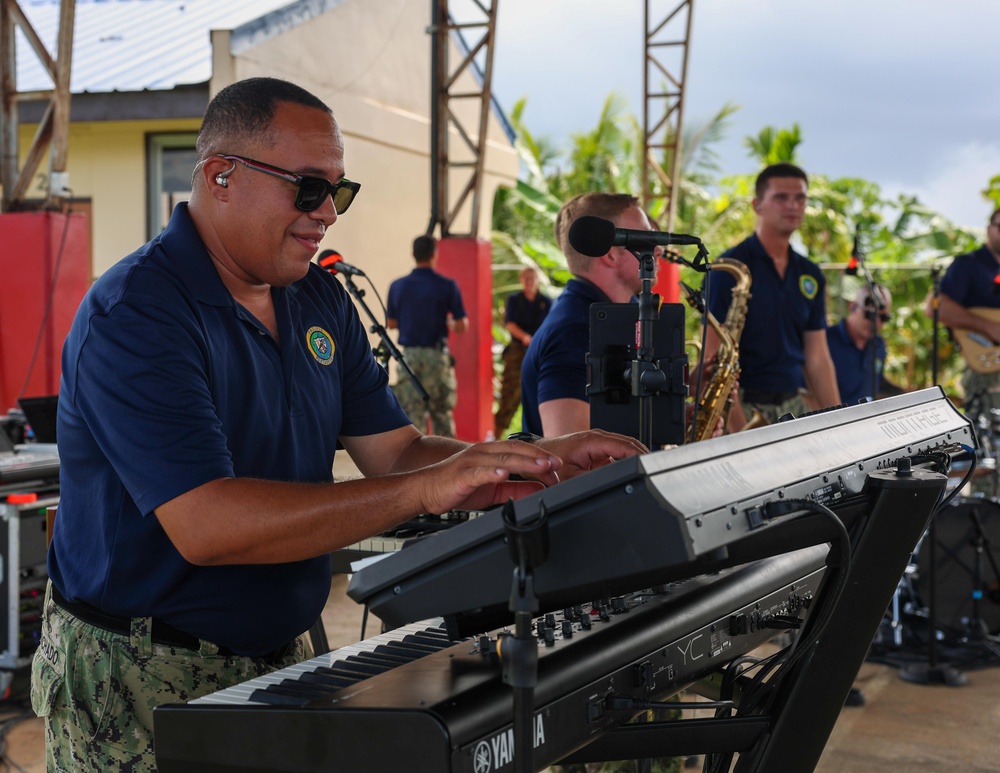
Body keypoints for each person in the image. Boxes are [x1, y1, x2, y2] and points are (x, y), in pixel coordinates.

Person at [30, 77, 647, 771]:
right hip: (137, 675)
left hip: (279, 654)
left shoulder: (315, 295)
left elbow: (398, 451)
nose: (327, 212)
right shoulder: (138, 313)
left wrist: (528, 460)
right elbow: (209, 524)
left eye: (338, 192)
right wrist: (426, 490)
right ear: (220, 175)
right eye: (307, 187)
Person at [705, 163, 841, 428]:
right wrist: (740, 432)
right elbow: (713, 357)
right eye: (781, 197)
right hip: (741, 406)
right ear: (757, 205)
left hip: (793, 405)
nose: (792, 205)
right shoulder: (728, 268)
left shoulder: (810, 273)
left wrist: (839, 419)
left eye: (800, 198)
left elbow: (818, 357)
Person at [520, 192, 658, 437]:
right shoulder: (574, 331)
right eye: (645, 237)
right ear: (611, 253)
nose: (657, 249)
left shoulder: (621, 311)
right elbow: (569, 458)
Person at [386, 235, 467, 437]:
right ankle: (449, 463)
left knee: (412, 416)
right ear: (434, 255)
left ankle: (417, 464)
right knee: (441, 414)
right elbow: (461, 325)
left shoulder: (398, 286)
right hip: (436, 358)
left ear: (413, 255)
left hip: (409, 358)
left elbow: (391, 323)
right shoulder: (447, 285)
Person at [933, 207, 1000, 415]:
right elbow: (937, 307)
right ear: (989, 229)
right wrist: (988, 327)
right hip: (986, 368)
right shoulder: (968, 264)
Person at [494, 267, 551, 438]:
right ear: (521, 280)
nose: (529, 281)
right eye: (526, 278)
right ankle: (496, 438)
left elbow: (550, 325)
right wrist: (526, 337)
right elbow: (510, 323)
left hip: (540, 351)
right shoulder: (514, 300)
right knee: (509, 394)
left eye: (532, 277)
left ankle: (543, 437)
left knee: (540, 393)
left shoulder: (546, 302)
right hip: (518, 351)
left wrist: (536, 341)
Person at [826, 284, 894, 405]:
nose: (876, 322)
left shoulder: (878, 345)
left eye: (883, 317)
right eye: (870, 315)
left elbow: (876, 383)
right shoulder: (826, 342)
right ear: (853, 307)